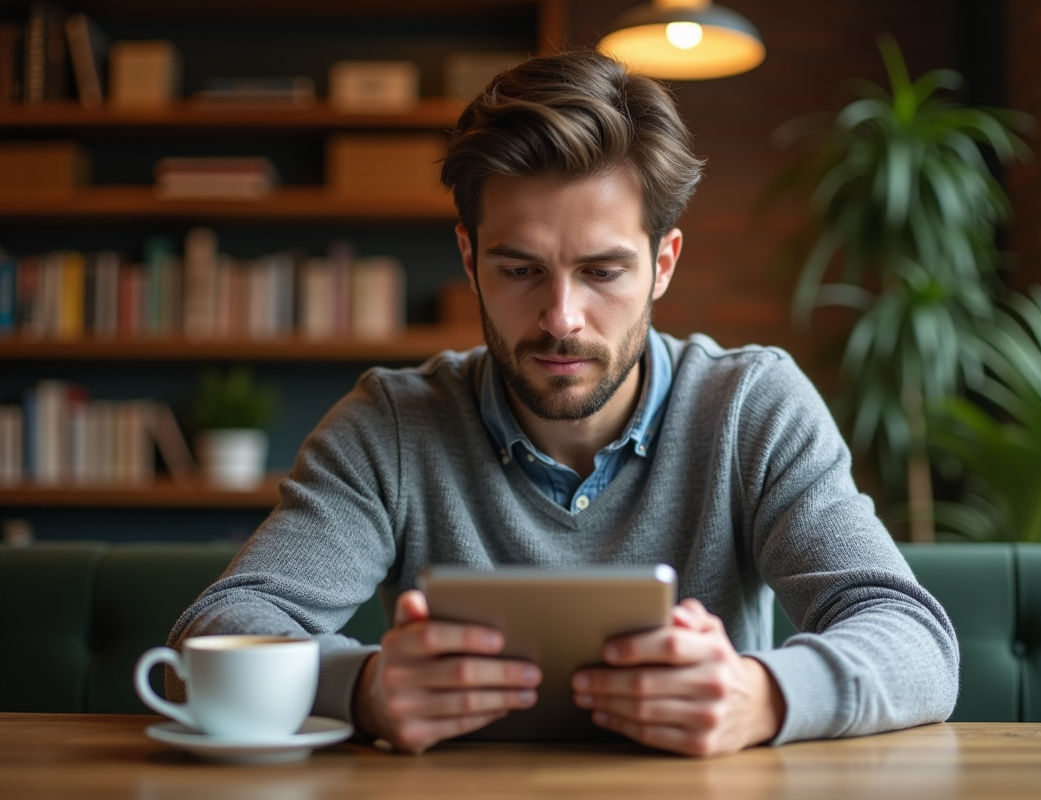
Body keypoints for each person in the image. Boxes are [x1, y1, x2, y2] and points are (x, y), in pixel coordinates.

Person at [169, 49, 958, 758]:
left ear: (663, 264)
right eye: (520, 270)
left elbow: (915, 641)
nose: (561, 318)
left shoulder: (752, 408)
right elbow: (217, 634)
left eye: (603, 272)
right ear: (470, 258)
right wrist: (366, 687)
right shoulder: (391, 426)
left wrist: (764, 697)